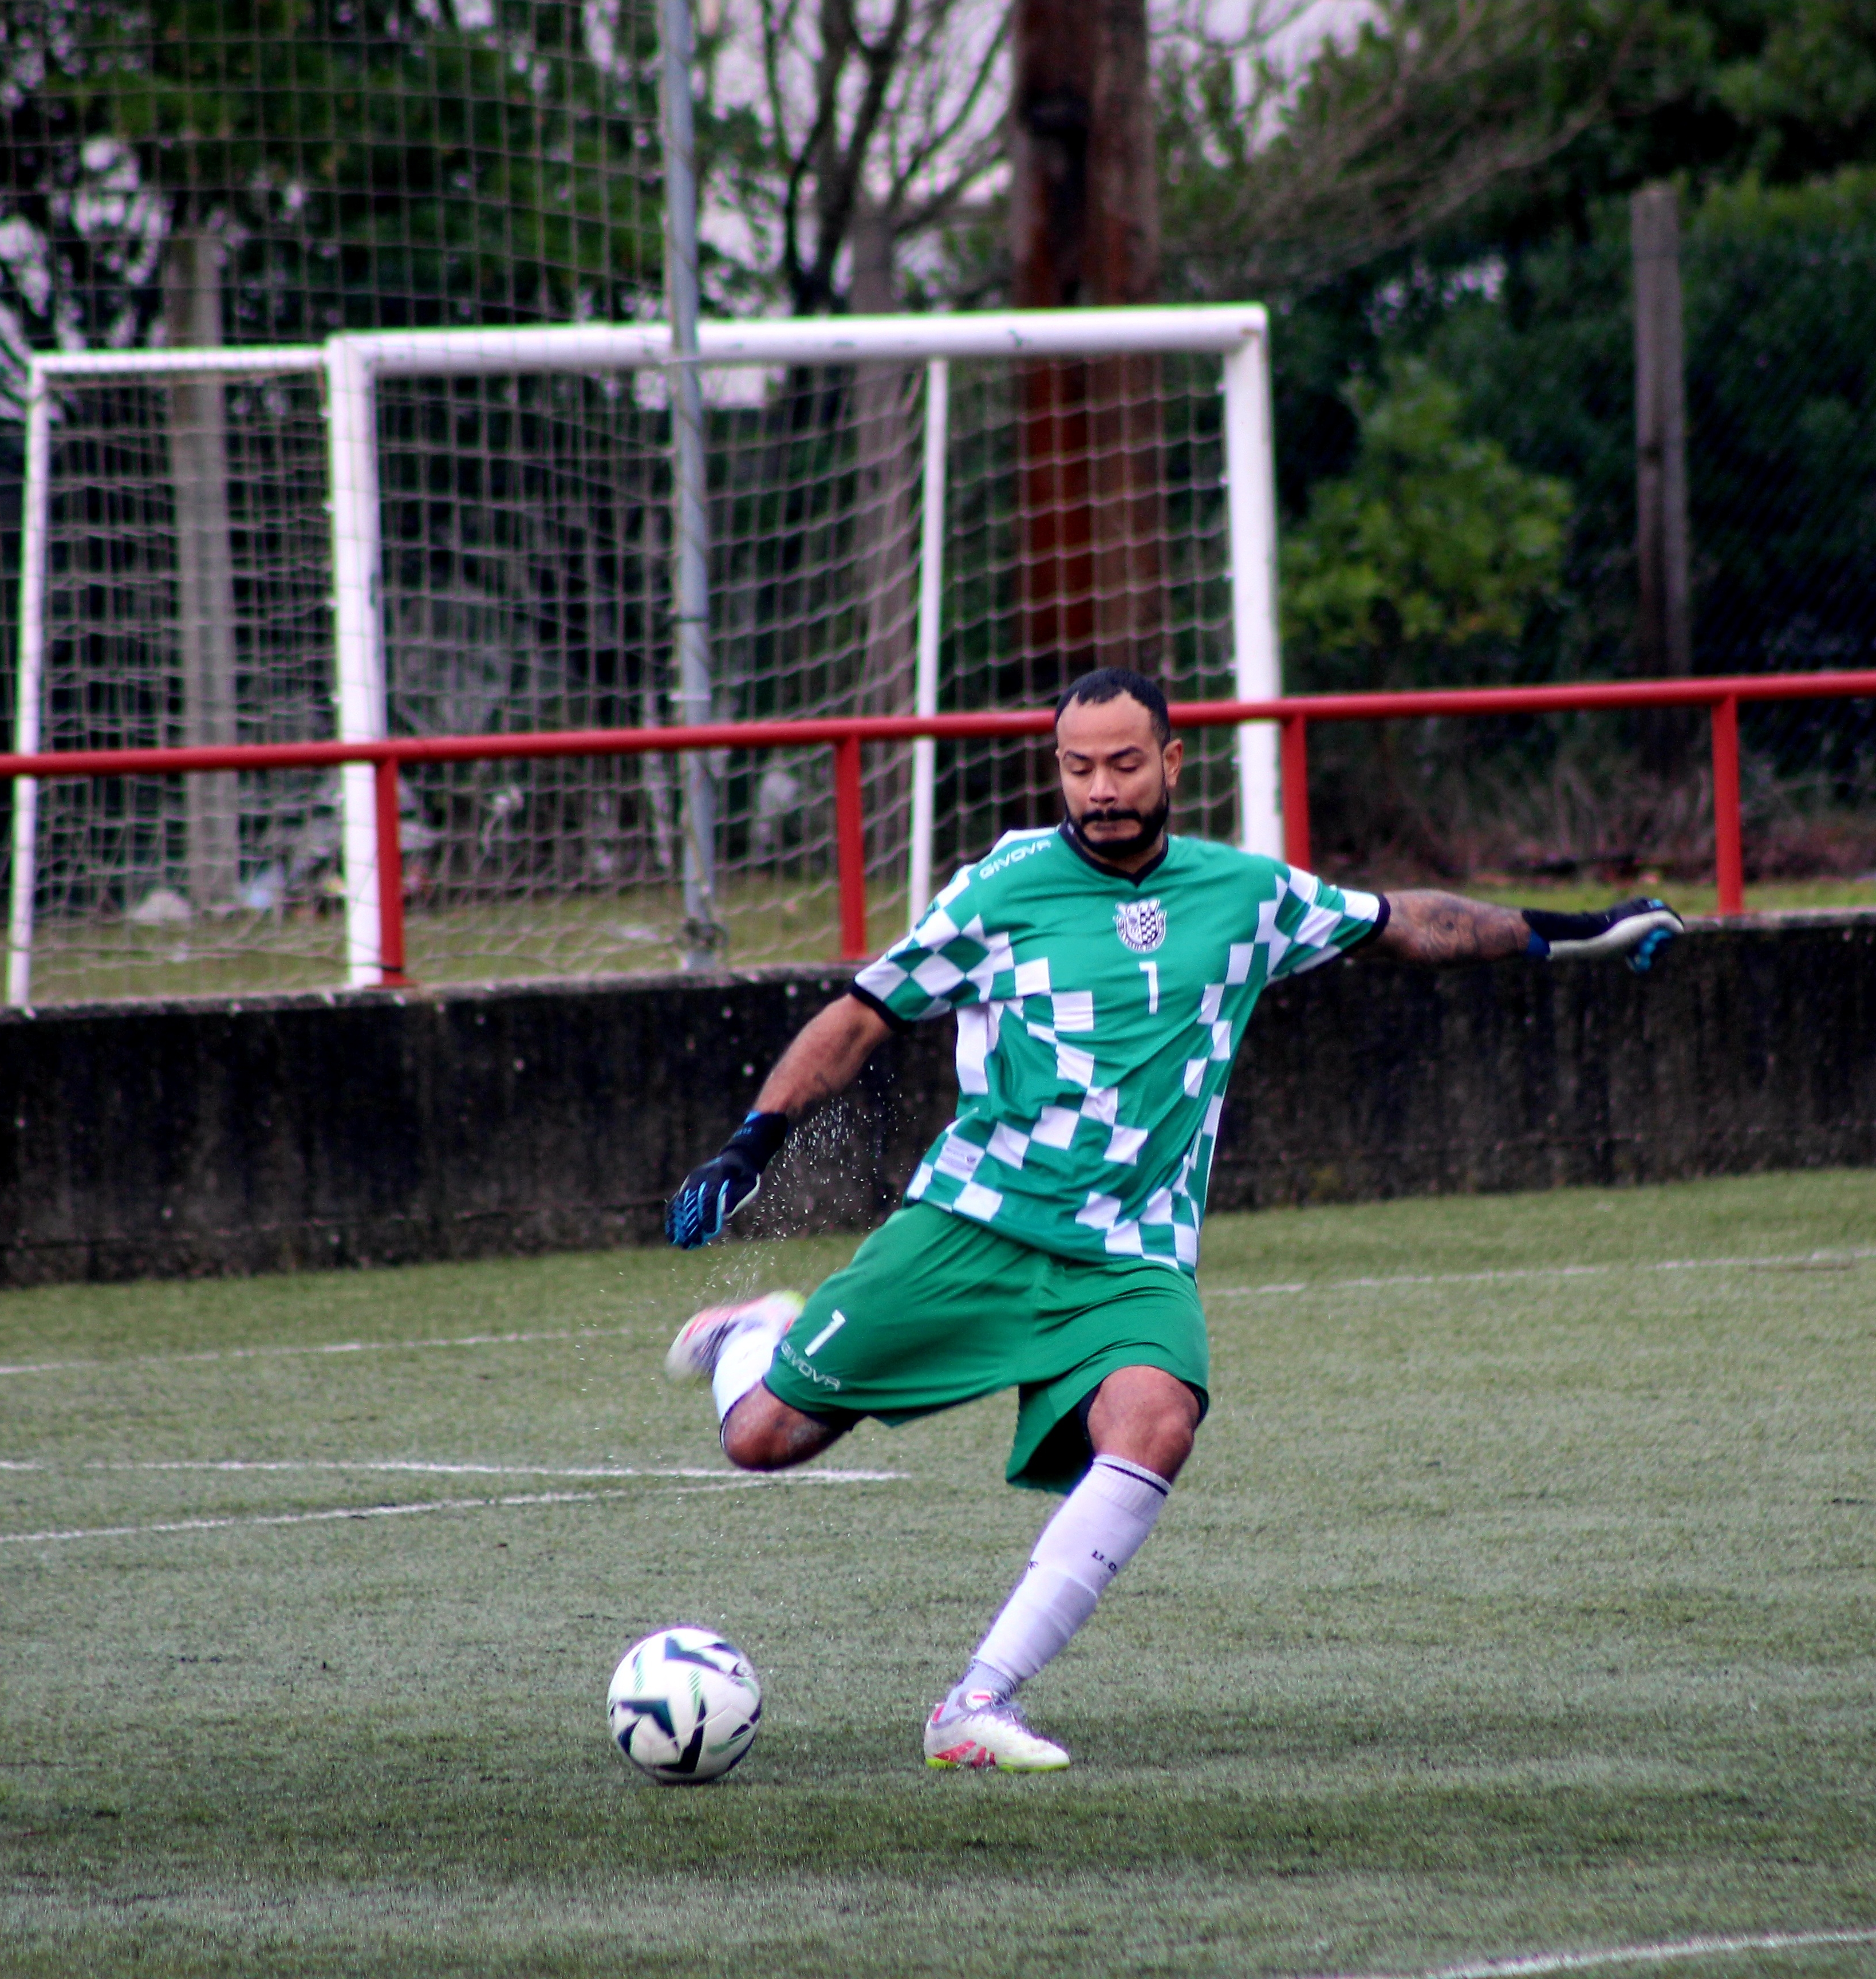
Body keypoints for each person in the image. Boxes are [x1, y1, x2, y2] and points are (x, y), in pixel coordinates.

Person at [659, 667, 1684, 1772]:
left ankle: (973, 1706)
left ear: (1172, 762)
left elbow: (1410, 926)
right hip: (975, 1225)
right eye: (1079, 767)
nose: (1101, 789)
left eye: (1125, 764)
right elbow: (864, 1013)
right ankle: (756, 1332)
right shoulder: (1000, 891)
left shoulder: (1245, 896)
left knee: (1155, 1422)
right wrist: (750, 1146)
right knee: (760, 1441)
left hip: (1132, 1257)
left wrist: (1583, 931)